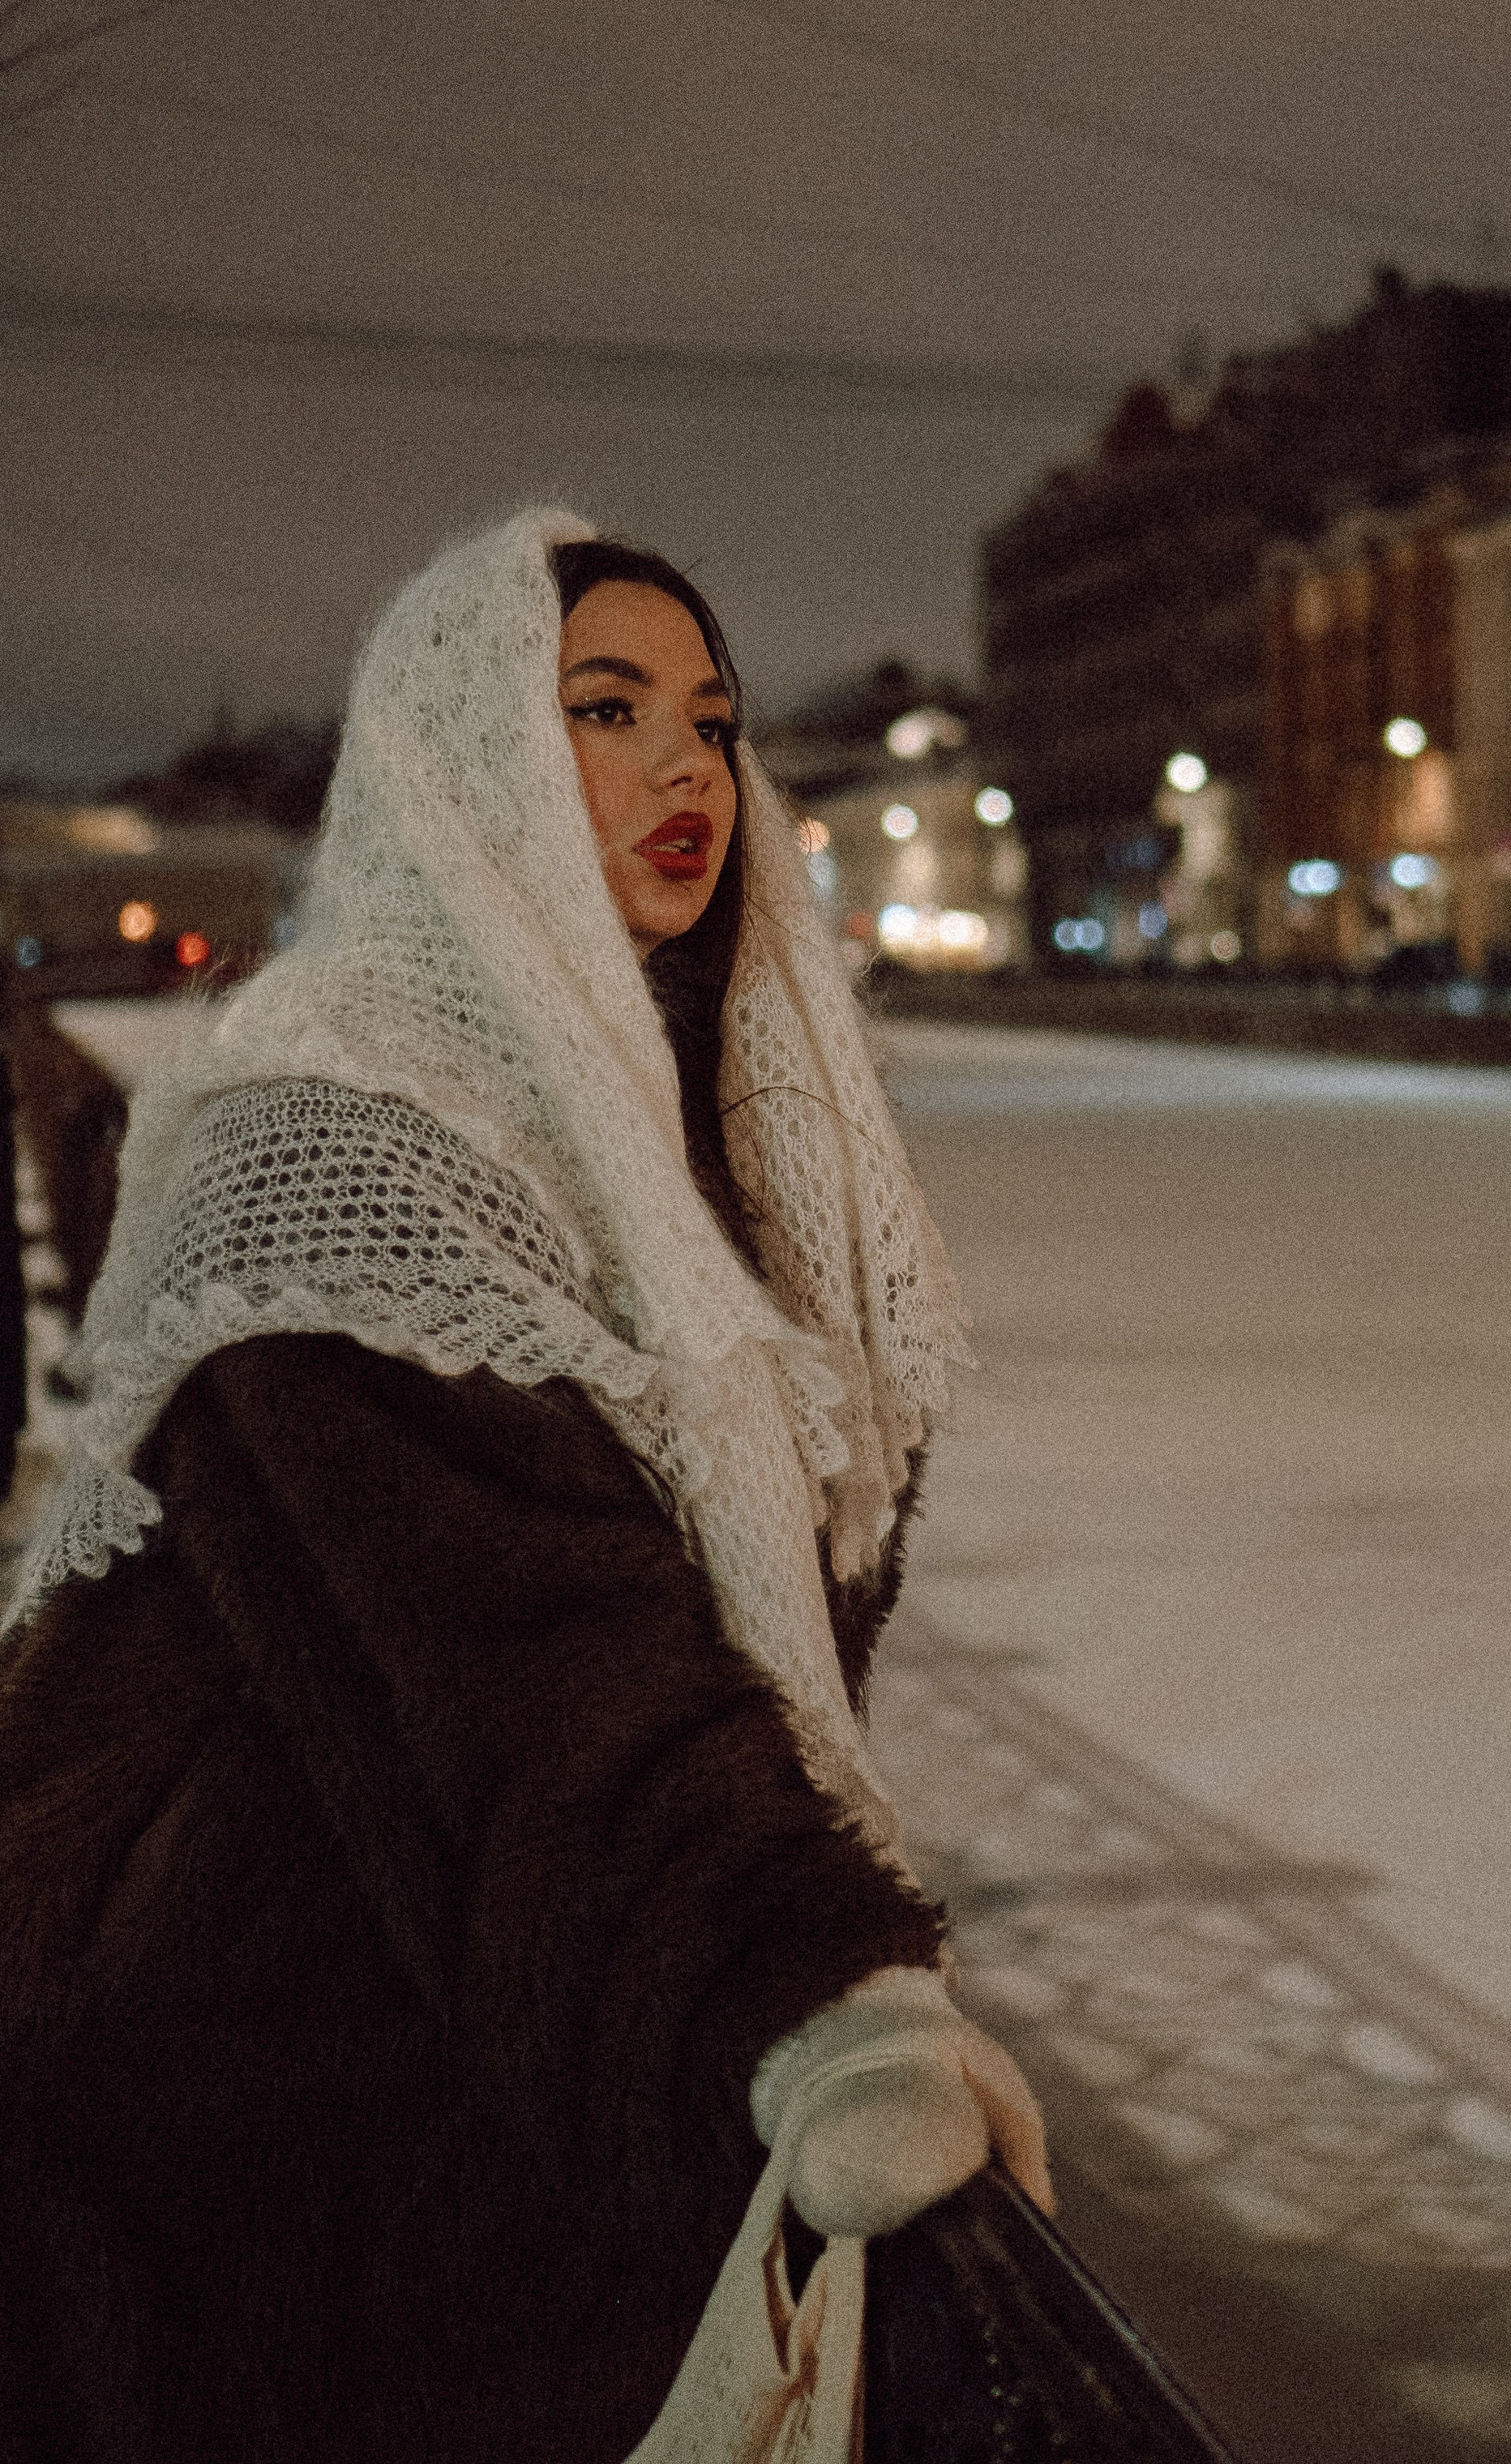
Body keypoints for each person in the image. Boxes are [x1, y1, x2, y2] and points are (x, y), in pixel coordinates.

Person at [0, 510, 1047, 2464]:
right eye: (605, 707)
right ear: (454, 759)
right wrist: (815, 1988)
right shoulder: (339, 1134)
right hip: (250, 2127)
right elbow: (537, 1652)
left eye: (714, 720)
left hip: (460, 2055)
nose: (688, 768)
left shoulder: (690, 1128)